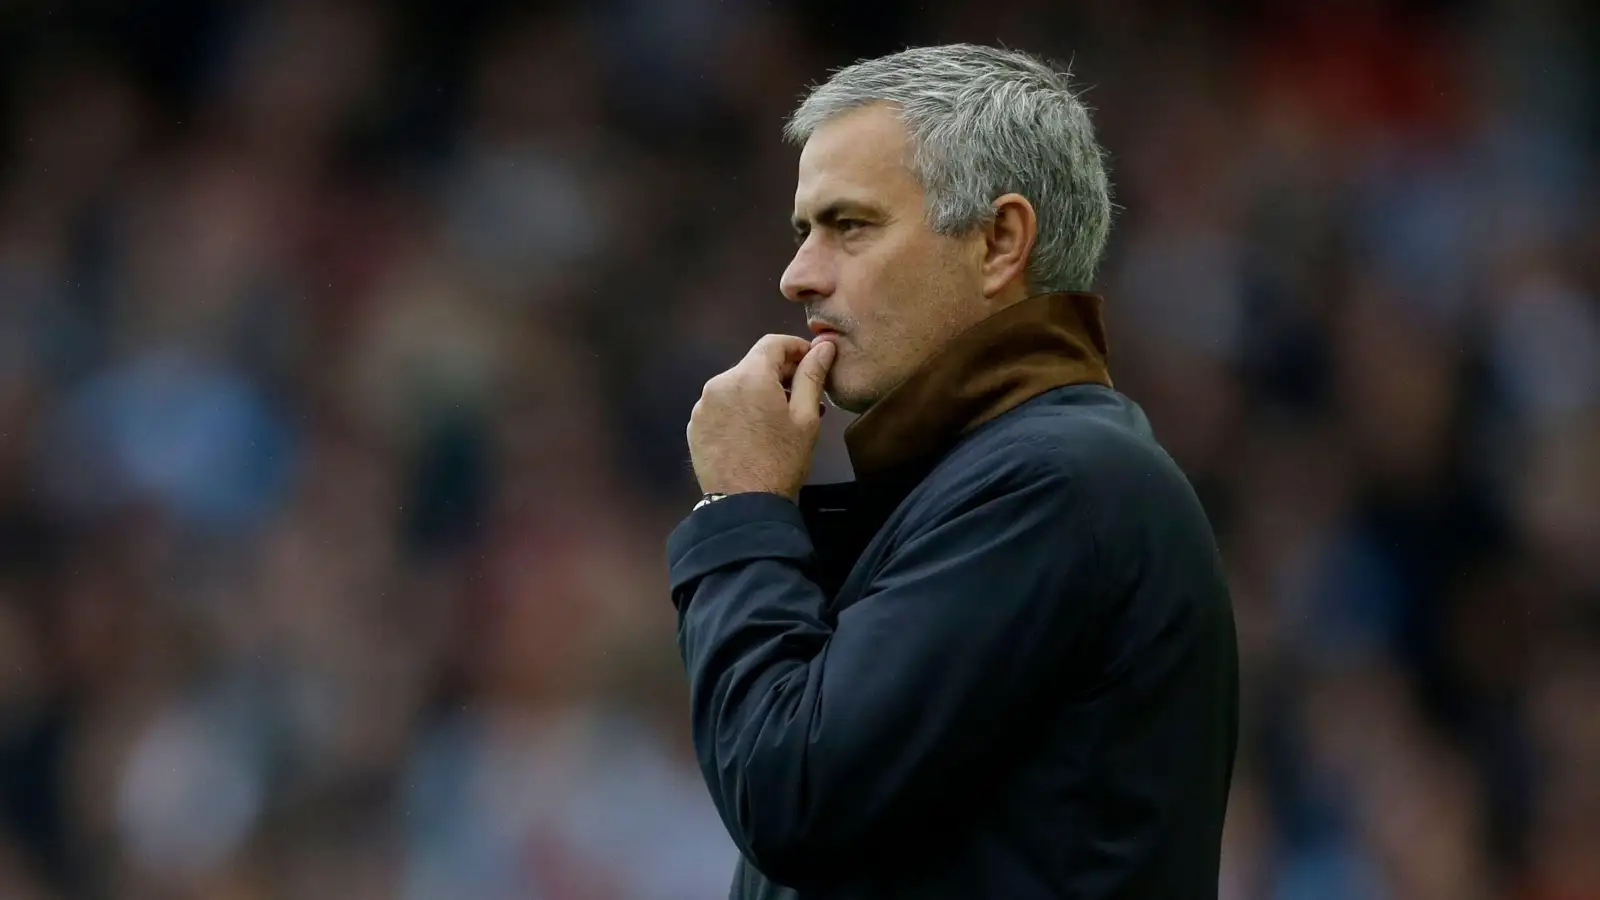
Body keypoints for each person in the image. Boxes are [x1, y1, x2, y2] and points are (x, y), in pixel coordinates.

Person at [668, 43, 1238, 899]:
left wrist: (741, 504)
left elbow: (788, 789)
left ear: (1001, 241)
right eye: (802, 232)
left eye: (849, 225)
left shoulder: (1056, 482)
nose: (798, 275)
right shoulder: (991, 479)